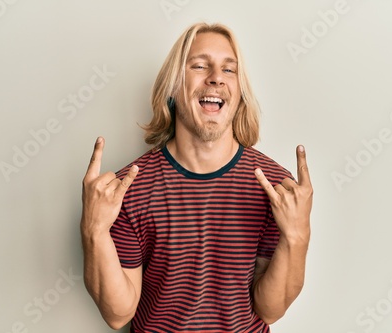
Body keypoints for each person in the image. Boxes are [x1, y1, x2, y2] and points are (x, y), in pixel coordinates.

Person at [80, 22, 313, 332]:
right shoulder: (127, 190)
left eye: (229, 71)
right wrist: (93, 229)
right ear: (174, 88)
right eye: (200, 66)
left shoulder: (274, 186)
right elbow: (118, 314)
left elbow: (270, 310)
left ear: (239, 93)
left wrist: (297, 236)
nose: (216, 77)